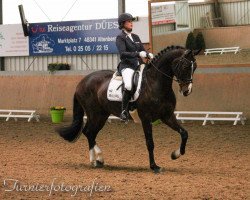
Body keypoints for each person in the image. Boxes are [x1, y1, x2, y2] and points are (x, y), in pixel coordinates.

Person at [116, 13, 154, 121]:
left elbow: (142, 49)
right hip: (127, 66)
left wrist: (147, 54)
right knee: (128, 85)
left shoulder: (136, 37)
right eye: (129, 21)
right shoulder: (120, 37)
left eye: (131, 21)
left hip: (138, 65)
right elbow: (123, 54)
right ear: (123, 24)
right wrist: (138, 54)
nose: (131, 23)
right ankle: (124, 111)